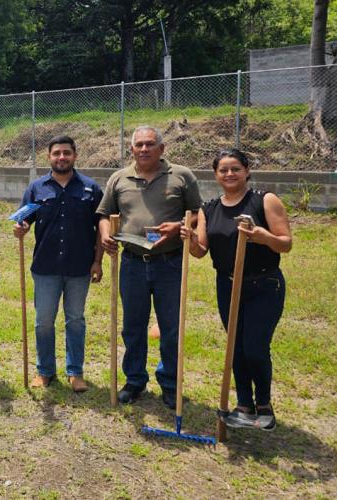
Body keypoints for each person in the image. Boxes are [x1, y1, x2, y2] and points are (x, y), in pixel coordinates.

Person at [181, 148, 292, 431]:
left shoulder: (264, 200)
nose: (229, 174)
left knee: (255, 347)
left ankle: (264, 407)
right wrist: (191, 238)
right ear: (216, 175)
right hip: (227, 284)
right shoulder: (209, 209)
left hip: (264, 284)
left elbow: (285, 243)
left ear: (247, 171)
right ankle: (244, 405)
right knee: (235, 348)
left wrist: (263, 237)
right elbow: (200, 251)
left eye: (235, 169)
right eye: (223, 170)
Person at [97, 126, 202, 409]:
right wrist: (105, 233)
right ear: (131, 149)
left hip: (169, 263)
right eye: (138, 145)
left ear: (162, 148)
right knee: (132, 326)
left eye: (150, 144)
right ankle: (134, 381)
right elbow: (105, 214)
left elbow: (199, 215)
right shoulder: (119, 178)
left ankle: (169, 384)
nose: (144, 149)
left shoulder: (182, 176)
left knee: (170, 327)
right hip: (132, 264)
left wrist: (180, 226)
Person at [13, 135, 104, 393]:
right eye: (56, 153)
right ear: (49, 157)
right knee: (43, 321)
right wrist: (20, 229)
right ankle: (45, 371)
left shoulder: (90, 189)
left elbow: (101, 226)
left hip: (79, 268)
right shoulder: (36, 188)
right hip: (45, 268)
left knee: (75, 320)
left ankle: (75, 372)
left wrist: (98, 261)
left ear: (75, 155)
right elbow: (24, 220)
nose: (61, 157)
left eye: (66, 153)